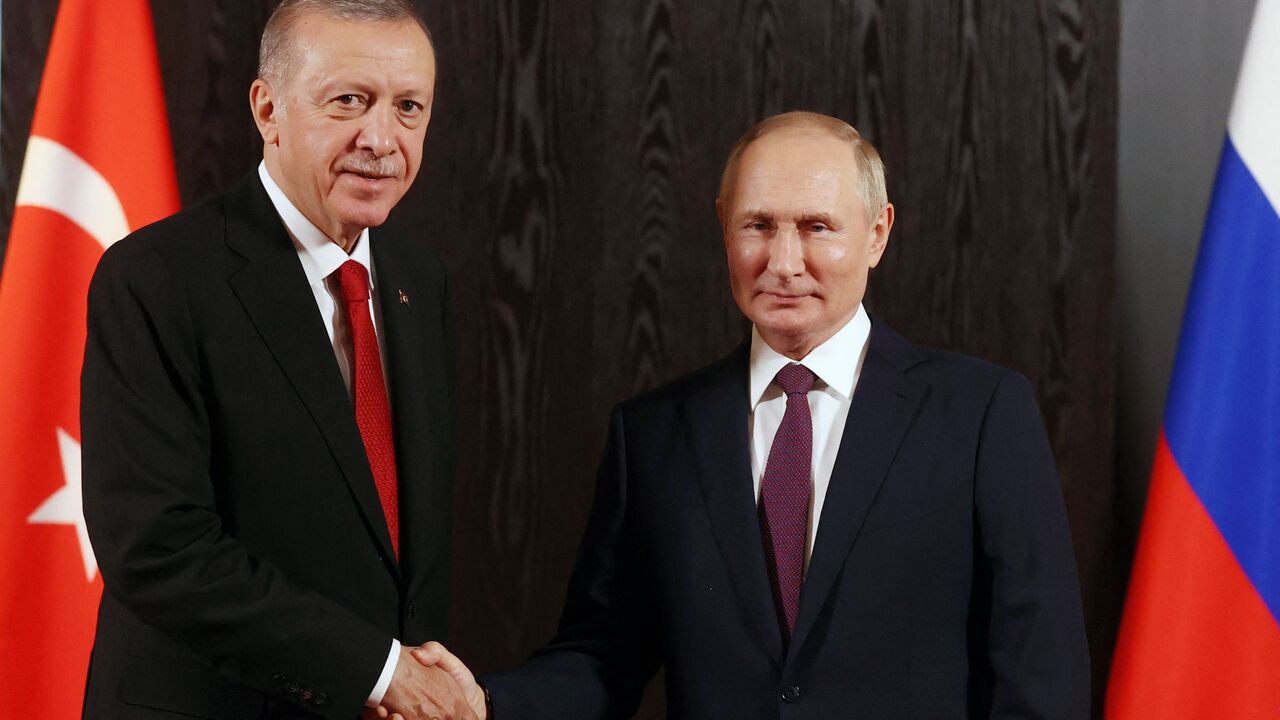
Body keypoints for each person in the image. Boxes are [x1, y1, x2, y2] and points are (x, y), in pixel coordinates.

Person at [415, 111, 1091, 719]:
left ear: (878, 233)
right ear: (723, 225)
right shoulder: (651, 435)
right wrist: (485, 703)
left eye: (816, 227)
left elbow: (1040, 673)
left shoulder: (981, 414)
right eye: (759, 226)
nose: (783, 262)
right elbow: (604, 657)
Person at [80, 1, 474, 718]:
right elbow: (159, 550)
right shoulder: (156, 278)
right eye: (349, 100)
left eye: (409, 107)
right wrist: (383, 674)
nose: (381, 138)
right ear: (268, 110)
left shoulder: (422, 281)